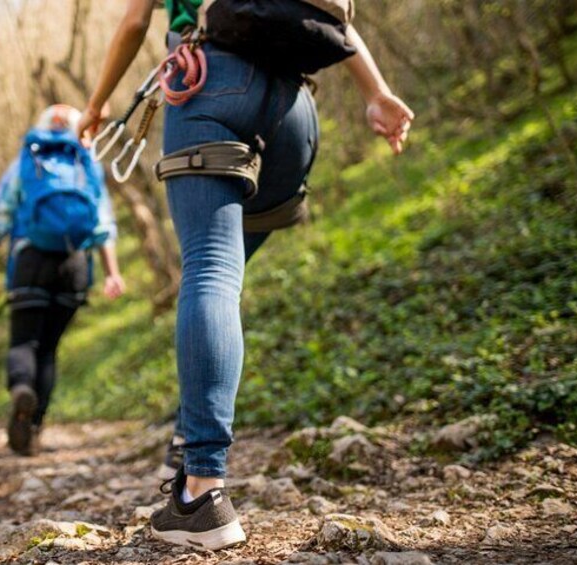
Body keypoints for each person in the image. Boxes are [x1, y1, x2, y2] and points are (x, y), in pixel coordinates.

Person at [79, 0, 414, 550]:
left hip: (210, 82)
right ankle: (191, 429)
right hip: (296, 112)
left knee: (211, 270)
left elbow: (136, 20)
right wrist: (375, 92)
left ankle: (201, 490)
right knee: (220, 276)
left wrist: (96, 105)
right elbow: (331, 16)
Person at [0, 104, 125, 457]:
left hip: (31, 259)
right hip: (74, 263)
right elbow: (103, 226)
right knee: (49, 350)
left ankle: (21, 389)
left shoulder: (27, 161)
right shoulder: (87, 163)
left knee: (24, 342)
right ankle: (35, 428)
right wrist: (113, 273)